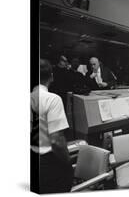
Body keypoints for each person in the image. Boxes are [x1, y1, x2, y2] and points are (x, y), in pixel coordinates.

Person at [31, 59, 73, 193]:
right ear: (51, 77)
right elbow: (56, 140)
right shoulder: (53, 99)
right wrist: (68, 162)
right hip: (48, 164)